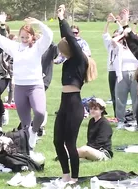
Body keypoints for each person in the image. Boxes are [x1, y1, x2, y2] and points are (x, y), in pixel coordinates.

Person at [0, 15, 53, 151]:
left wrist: (39, 22)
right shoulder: (15, 47)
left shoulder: (37, 47)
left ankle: (34, 131)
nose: (24, 40)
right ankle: (28, 149)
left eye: (27, 37)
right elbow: (0, 40)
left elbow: (49, 35)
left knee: (40, 113)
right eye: (22, 37)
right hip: (20, 87)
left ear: (32, 36)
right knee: (25, 123)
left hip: (35, 85)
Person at [54, 5, 97, 183]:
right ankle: (65, 175)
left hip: (74, 105)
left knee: (70, 143)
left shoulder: (79, 59)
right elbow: (66, 38)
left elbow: (70, 38)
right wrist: (59, 21)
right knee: (57, 141)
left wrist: (62, 18)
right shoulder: (68, 61)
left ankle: (74, 178)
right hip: (64, 103)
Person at [111, 9, 138, 130]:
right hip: (122, 74)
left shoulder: (134, 47)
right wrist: (124, 23)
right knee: (120, 98)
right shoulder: (121, 47)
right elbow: (128, 38)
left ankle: (136, 122)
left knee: (135, 100)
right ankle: (121, 121)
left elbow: (132, 37)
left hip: (135, 74)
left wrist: (126, 24)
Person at [102, 13, 123, 118]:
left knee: (120, 94)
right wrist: (108, 22)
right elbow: (105, 34)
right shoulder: (109, 45)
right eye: (113, 36)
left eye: (116, 36)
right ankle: (116, 116)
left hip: (120, 71)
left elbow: (122, 31)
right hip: (111, 71)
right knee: (113, 95)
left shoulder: (121, 46)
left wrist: (116, 21)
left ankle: (121, 115)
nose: (114, 38)